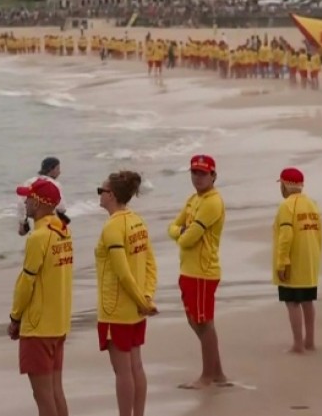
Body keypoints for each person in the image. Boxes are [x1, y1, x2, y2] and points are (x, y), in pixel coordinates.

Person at [96, 171, 158, 416]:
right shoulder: (137, 221)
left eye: (101, 191)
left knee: (123, 371)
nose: (99, 195)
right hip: (136, 306)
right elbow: (150, 264)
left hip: (117, 308)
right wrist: (146, 298)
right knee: (136, 367)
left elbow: (122, 273)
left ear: (111, 195)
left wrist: (141, 301)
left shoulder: (112, 227)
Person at [9, 178, 73, 416]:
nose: (24, 202)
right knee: (56, 390)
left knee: (42, 395)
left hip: (38, 325)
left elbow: (27, 282)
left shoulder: (38, 237)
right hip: (58, 322)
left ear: (37, 203)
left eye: (27, 198)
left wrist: (15, 317)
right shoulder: (63, 231)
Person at [168, 154, 230, 389]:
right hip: (188, 269)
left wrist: (181, 233)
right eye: (194, 172)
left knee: (204, 323)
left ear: (213, 175)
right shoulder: (193, 199)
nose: (198, 177)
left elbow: (188, 238)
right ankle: (217, 373)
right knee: (195, 321)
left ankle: (208, 376)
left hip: (203, 271)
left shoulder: (213, 202)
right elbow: (173, 227)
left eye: (203, 173)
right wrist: (180, 232)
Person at [273, 168, 322, 352]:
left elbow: (286, 235)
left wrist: (282, 262)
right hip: (310, 259)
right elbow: (318, 233)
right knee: (308, 301)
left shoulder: (286, 206)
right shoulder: (312, 204)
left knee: (292, 303)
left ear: (285, 186)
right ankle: (310, 341)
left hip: (293, 261)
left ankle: (298, 344)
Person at [18, 157, 69, 236]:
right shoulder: (55, 184)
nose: (59, 172)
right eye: (57, 168)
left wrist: (22, 222)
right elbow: (62, 208)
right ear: (51, 169)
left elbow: (21, 203)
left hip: (31, 221)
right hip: (49, 223)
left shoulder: (29, 181)